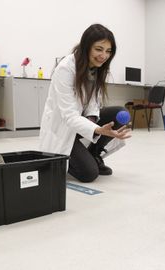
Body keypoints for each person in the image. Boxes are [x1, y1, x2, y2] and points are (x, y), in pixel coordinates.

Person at [39, 24, 131, 183]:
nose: (104, 55)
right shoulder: (66, 69)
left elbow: (94, 103)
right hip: (63, 128)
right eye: (99, 49)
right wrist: (97, 129)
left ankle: (94, 154)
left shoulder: (97, 68)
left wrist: (93, 121)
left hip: (81, 123)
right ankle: (80, 159)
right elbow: (69, 115)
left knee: (118, 113)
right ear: (86, 46)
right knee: (89, 174)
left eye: (108, 51)